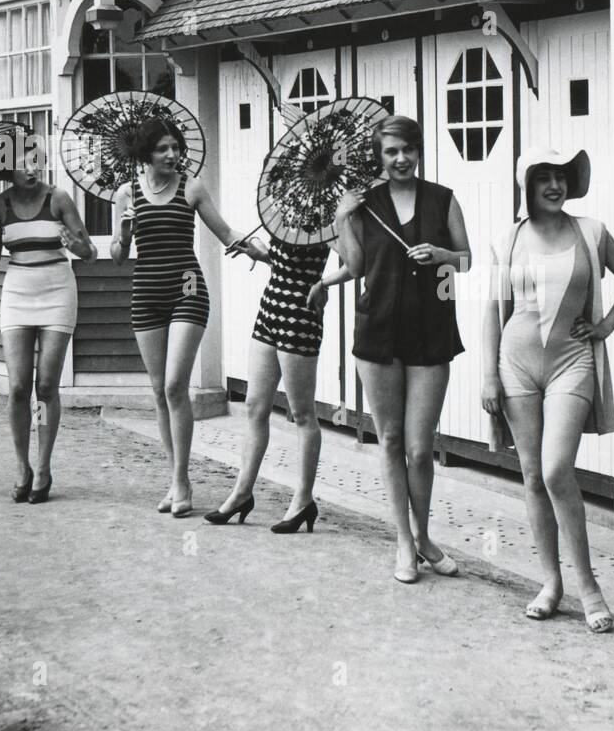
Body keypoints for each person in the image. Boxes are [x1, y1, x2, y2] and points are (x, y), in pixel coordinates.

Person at [481, 148, 614, 632]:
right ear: (526, 186)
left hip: (572, 362)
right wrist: (488, 374)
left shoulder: (591, 232)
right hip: (516, 364)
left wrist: (604, 326)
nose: (554, 185)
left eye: (561, 177)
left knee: (556, 470)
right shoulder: (507, 238)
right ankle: (551, 583)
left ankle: (589, 587)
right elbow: (492, 309)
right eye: (544, 178)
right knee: (532, 475)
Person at [334, 115, 471, 583]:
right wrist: (340, 217)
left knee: (419, 447)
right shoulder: (365, 205)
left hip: (432, 331)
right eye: (390, 151)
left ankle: (425, 535)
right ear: (379, 155)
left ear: (419, 150)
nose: (400, 159)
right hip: (378, 331)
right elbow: (353, 266)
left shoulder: (443, 199)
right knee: (390, 440)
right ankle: (404, 542)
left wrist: (443, 256)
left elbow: (468, 261)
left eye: (407, 149)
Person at [110, 119, 266, 517]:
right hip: (146, 294)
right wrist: (125, 233)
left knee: (177, 384)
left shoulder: (190, 187)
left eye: (175, 147)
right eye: (162, 148)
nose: (172, 154)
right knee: (160, 389)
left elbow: (226, 232)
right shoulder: (126, 194)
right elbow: (117, 255)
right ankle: (176, 478)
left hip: (187, 290)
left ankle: (182, 483)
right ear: (145, 154)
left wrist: (255, 250)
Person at [205, 238, 354, 531]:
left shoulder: (326, 218)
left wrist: (323, 283)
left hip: (300, 316)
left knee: (302, 414)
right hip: (269, 310)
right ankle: (242, 493)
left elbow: (356, 262)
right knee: (254, 406)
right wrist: (262, 254)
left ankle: (303, 500)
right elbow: (285, 265)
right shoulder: (283, 212)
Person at [0, 149, 95, 504]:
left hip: (57, 289)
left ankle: (43, 468)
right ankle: (21, 466)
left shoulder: (57, 198)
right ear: (8, 169)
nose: (31, 169)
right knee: (17, 387)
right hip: (17, 291)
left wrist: (75, 243)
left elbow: (88, 251)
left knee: (45, 385)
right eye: (23, 163)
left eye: (36, 161)